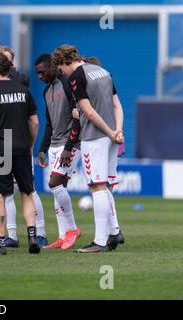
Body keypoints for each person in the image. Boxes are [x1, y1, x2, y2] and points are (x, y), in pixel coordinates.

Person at [52, 44, 124, 253]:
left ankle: (100, 242)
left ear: (64, 62)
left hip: (94, 137)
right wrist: (117, 131)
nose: (63, 74)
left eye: (61, 69)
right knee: (106, 184)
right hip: (111, 137)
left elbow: (89, 113)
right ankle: (114, 232)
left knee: (96, 186)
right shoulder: (103, 71)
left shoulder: (77, 76)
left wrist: (110, 133)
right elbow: (117, 105)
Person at [0, 53, 40, 255]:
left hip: (0, 149)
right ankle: (32, 236)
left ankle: (1, 243)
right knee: (27, 193)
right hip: (21, 147)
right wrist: (29, 145)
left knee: (0, 197)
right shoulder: (23, 90)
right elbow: (35, 122)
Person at [0, 45, 47, 248]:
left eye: (8, 59)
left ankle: (39, 233)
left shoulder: (18, 81)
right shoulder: (3, 84)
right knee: (14, 192)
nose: (8, 63)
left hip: (7, 143)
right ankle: (12, 235)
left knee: (22, 191)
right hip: (16, 143)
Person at [35, 53, 81, 250]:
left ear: (53, 67)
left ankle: (72, 229)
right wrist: (43, 149)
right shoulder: (46, 91)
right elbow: (49, 123)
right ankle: (62, 237)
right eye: (37, 73)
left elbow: (78, 117)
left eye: (42, 72)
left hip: (68, 145)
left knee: (54, 184)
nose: (39, 76)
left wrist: (69, 147)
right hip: (53, 145)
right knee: (57, 190)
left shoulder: (68, 83)